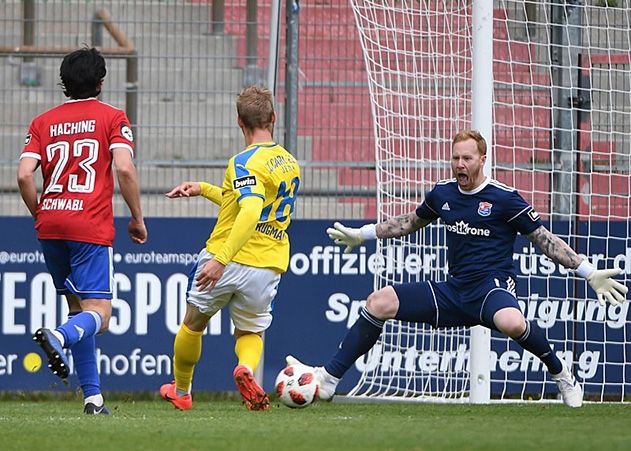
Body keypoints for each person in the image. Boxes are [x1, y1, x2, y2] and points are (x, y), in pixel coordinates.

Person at [288, 129, 627, 408]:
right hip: (454, 291)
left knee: (510, 322)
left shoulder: (505, 198)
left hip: (491, 289)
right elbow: (410, 222)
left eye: (467, 158)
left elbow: (544, 239)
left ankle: (560, 372)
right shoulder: (443, 195)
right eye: (455, 157)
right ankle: (330, 380)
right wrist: (362, 233)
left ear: (482, 160)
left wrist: (588, 272)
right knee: (379, 302)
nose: (460, 164)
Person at [17, 47, 147, 415]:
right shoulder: (112, 118)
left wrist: (40, 213)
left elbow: (25, 175)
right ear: (101, 82)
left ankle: (93, 399)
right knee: (100, 315)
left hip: (51, 223)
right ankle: (58, 336)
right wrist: (137, 217)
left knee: (79, 309)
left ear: (64, 82)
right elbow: (124, 169)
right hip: (88, 224)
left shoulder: (42, 122)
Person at [159, 86, 301, 411]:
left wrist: (221, 260)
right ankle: (246, 370)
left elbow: (250, 211)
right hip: (267, 265)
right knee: (250, 331)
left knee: (193, 323)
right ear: (273, 117)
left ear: (239, 122)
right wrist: (203, 189)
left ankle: (181, 391)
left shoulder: (243, 162)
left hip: (227, 257)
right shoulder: (289, 162)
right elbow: (247, 203)